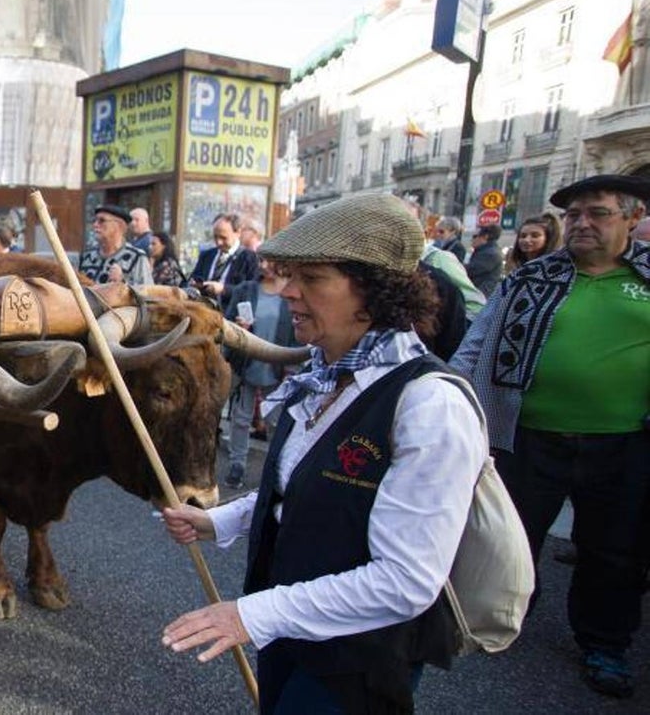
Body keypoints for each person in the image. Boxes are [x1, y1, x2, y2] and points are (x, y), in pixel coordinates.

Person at [161, 192, 483, 714]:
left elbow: (406, 582)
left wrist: (251, 615)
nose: (287, 292)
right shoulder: (320, 374)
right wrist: (219, 521)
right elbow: (306, 487)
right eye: (289, 275)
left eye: (311, 279)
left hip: (358, 662)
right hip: (292, 632)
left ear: (375, 292)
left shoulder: (430, 404)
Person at [450, 174, 650, 699]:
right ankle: (501, 617)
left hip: (626, 441)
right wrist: (447, 394)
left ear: (632, 217)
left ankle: (605, 644)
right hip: (528, 436)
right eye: (574, 215)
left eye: (598, 213)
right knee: (511, 535)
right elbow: (477, 342)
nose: (582, 223)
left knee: (614, 550)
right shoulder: (530, 278)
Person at [221, 255, 295, 488]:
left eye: (266, 261)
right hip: (247, 361)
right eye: (260, 260)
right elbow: (227, 322)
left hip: (278, 364)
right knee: (241, 417)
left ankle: (277, 468)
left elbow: (298, 329)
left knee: (276, 419)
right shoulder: (246, 289)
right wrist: (237, 327)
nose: (261, 265)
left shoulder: (293, 290)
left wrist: (294, 365)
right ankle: (237, 465)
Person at [188, 213, 259, 308]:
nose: (218, 242)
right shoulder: (207, 255)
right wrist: (195, 284)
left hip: (230, 316)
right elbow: (194, 277)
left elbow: (252, 291)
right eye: (215, 237)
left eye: (223, 238)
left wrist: (224, 289)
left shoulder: (250, 259)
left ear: (238, 233)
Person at [77, 204, 152, 285]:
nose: (95, 225)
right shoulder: (86, 257)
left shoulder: (137, 257)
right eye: (94, 220)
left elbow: (149, 294)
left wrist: (122, 282)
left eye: (102, 221)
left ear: (120, 226)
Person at [465, 224, 504, 297]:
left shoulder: (490, 254)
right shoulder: (484, 251)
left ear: (485, 236)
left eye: (475, 236)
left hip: (481, 296)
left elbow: (470, 270)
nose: (472, 239)